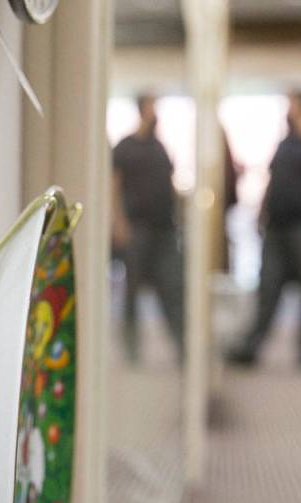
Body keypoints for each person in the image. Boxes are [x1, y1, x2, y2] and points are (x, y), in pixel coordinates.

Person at [229, 90, 301, 368]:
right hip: (276, 229)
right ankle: (251, 347)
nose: (286, 109)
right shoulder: (283, 146)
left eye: (290, 103)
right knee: (267, 288)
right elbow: (272, 181)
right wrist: (261, 213)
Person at [112, 93, 184, 363]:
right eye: (153, 106)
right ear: (143, 109)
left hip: (164, 230)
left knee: (172, 289)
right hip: (136, 228)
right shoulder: (125, 148)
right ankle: (131, 349)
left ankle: (182, 347)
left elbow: (171, 185)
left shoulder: (160, 148)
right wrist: (118, 222)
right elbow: (114, 187)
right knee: (131, 292)